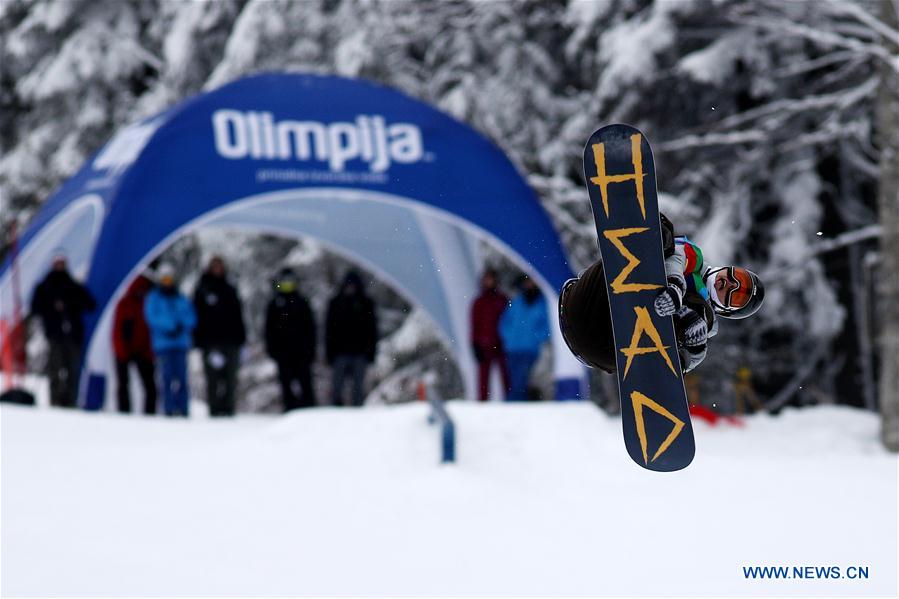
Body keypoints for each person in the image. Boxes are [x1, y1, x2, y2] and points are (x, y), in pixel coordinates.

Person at [559, 214, 765, 375]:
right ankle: (629, 234)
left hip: (607, 348)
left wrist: (693, 350)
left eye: (736, 295)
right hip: (588, 299)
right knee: (664, 238)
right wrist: (675, 285)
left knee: (698, 320)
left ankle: (664, 355)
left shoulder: (705, 319)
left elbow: (695, 355)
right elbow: (677, 255)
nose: (730, 284)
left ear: (727, 311)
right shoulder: (695, 257)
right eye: (737, 277)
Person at [29, 250, 96, 407]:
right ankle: (55, 400)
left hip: (73, 334)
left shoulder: (74, 285)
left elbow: (91, 304)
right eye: (57, 263)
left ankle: (70, 401)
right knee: (55, 368)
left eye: (62, 263)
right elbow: (35, 307)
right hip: (54, 334)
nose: (59, 266)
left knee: (72, 369)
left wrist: (71, 305)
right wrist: (52, 308)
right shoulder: (44, 286)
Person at [193, 256, 246, 417]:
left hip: (232, 341)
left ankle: (229, 409)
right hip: (211, 343)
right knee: (213, 379)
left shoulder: (230, 288)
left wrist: (242, 340)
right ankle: (214, 410)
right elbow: (197, 318)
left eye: (219, 266)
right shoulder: (202, 289)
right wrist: (200, 342)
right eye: (214, 266)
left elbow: (238, 316)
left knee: (230, 378)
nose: (217, 269)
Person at [144, 263, 196, 417]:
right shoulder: (154, 298)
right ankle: (169, 409)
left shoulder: (180, 298)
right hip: (164, 345)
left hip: (180, 344)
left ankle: (183, 409)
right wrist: (170, 326)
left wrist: (181, 326)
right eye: (164, 279)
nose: (167, 282)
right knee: (166, 378)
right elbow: (152, 317)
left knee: (182, 378)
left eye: (169, 279)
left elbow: (191, 317)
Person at [265, 268, 317, 411]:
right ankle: (290, 410)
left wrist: (310, 349)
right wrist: (272, 350)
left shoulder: (302, 302)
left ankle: (310, 410)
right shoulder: (274, 304)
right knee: (286, 384)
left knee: (305, 382)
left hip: (302, 352)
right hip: (282, 353)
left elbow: (310, 328)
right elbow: (269, 330)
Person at [325, 271, 378, 407]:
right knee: (337, 387)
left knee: (358, 388)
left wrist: (371, 353)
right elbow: (329, 330)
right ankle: (336, 410)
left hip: (360, 353)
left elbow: (372, 330)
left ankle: (357, 411)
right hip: (340, 353)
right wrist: (329, 353)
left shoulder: (366, 303)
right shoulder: (336, 303)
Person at [499, 275, 551, 401]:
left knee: (522, 380)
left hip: (530, 349)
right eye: (527, 282)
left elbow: (547, 327)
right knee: (514, 380)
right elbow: (504, 322)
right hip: (513, 348)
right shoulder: (516, 302)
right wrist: (508, 337)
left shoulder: (541, 304)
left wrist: (537, 338)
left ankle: (517, 403)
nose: (529, 285)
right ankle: (516, 404)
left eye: (532, 282)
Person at [111, 274, 156, 414]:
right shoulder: (125, 304)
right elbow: (117, 329)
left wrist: (148, 352)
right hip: (125, 350)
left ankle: (149, 413)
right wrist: (121, 350)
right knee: (123, 383)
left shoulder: (149, 304)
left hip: (142, 351)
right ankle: (124, 411)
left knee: (150, 385)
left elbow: (150, 330)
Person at [470, 268, 510, 401]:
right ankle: (482, 402)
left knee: (506, 375)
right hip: (484, 345)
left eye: (490, 279)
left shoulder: (502, 300)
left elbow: (510, 321)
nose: (488, 282)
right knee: (483, 377)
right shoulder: (479, 302)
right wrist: (475, 344)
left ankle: (510, 401)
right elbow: (475, 325)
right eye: (486, 280)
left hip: (501, 344)